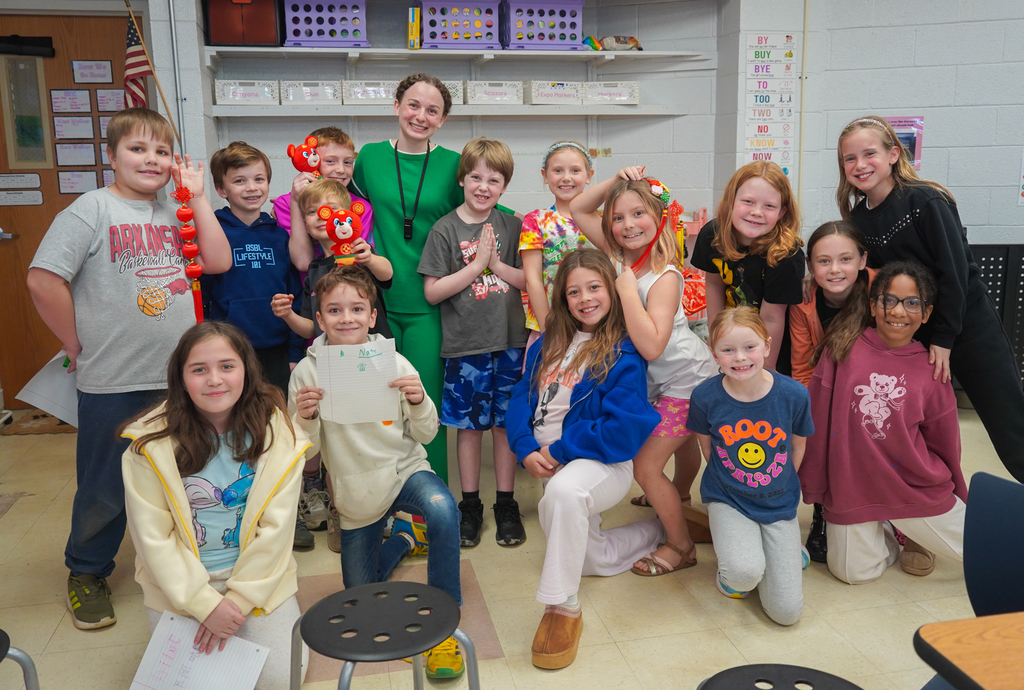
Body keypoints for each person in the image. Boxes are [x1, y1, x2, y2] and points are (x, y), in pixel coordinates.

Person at [26, 107, 231, 630]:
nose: (151, 159)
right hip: (114, 379)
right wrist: (73, 341)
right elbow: (43, 280)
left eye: (161, 151)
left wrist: (199, 196)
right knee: (105, 484)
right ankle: (87, 571)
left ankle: (180, 563)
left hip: (180, 381)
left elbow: (218, 262)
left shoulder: (176, 210)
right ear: (111, 156)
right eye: (137, 149)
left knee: (185, 479)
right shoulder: (91, 210)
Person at [289, 266, 466, 679]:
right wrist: (305, 417)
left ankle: (445, 621)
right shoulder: (307, 372)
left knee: (443, 509)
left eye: (356, 309)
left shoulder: (395, 361)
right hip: (355, 493)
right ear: (319, 319)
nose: (346, 318)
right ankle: (404, 540)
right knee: (360, 599)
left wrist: (420, 400)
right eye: (334, 310)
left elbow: (425, 433)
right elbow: (307, 453)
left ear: (372, 316)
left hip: (404, 468)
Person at [120, 322, 310, 690]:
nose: (214, 380)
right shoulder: (148, 444)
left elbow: (277, 531)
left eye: (227, 366)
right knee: (196, 683)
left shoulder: (279, 434)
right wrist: (203, 604)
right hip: (180, 583)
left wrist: (236, 603)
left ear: (246, 370)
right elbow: (152, 540)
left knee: (279, 681)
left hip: (258, 579)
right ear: (181, 378)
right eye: (199, 369)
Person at [837, 115, 1024, 484]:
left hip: (965, 328)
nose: (859, 165)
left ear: (893, 154)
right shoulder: (858, 217)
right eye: (849, 158)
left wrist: (944, 337)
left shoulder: (925, 200)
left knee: (1009, 424)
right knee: (919, 429)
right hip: (913, 336)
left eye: (869, 153)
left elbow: (954, 275)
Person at [350, 73, 515, 483]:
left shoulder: (451, 165)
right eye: (413, 105)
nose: (420, 116)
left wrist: (549, 230)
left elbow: (489, 205)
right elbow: (346, 211)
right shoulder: (369, 158)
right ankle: (381, 499)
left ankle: (430, 508)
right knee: (375, 411)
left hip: (433, 304)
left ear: (442, 120)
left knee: (426, 413)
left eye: (432, 110)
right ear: (396, 106)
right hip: (376, 302)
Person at [507, 248, 664, 669]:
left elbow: (623, 431)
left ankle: (562, 608)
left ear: (612, 291)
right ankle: (658, 530)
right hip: (549, 461)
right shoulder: (549, 343)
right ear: (563, 298)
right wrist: (525, 447)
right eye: (574, 291)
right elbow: (521, 398)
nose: (585, 298)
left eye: (594, 287)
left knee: (562, 494)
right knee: (592, 558)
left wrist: (557, 451)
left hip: (603, 462)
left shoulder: (624, 353)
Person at [571, 168, 717, 576]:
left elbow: (652, 343)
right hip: (662, 381)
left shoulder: (664, 276)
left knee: (646, 467)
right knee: (682, 447)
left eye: (638, 214)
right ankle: (679, 501)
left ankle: (680, 544)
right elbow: (580, 206)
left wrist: (623, 292)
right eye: (617, 217)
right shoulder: (619, 256)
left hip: (688, 382)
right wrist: (615, 182)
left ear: (658, 217)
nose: (627, 225)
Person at [799, 261, 967, 584]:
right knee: (851, 574)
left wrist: (957, 494)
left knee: (985, 550)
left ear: (927, 313)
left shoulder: (933, 368)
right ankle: (890, 530)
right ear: (874, 306)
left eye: (912, 303)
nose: (899, 312)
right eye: (889, 300)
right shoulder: (842, 348)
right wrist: (815, 486)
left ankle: (913, 531)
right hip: (854, 490)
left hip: (914, 489)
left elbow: (946, 443)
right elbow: (816, 423)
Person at [271, 178, 393, 551]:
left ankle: (379, 503)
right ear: (304, 222)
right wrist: (288, 315)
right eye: (311, 212)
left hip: (373, 359)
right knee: (336, 435)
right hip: (332, 363)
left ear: (350, 215)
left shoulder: (361, 252)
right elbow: (311, 326)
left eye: (330, 210)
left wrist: (368, 257)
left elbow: (387, 274)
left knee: (372, 432)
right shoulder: (313, 270)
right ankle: (341, 506)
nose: (322, 218)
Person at [418, 137, 528, 548]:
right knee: (468, 430)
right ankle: (470, 506)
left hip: (511, 342)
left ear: (504, 186)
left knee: (503, 428)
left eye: (494, 180)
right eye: (476, 177)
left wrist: (496, 264)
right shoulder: (445, 229)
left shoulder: (513, 226)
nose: (484, 186)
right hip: (466, 347)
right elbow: (433, 292)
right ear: (462, 179)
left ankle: (505, 503)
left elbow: (528, 280)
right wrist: (478, 266)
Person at [686, 307, 813, 626]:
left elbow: (798, 444)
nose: (740, 357)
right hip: (728, 499)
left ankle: (782, 551)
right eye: (728, 350)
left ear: (767, 347)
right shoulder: (704, 397)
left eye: (750, 347)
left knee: (786, 614)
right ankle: (737, 567)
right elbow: (707, 446)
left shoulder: (795, 394)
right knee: (743, 575)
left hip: (778, 503)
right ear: (714, 354)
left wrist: (782, 484)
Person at [788, 220, 874, 563]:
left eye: (845, 259)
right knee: (815, 434)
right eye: (824, 261)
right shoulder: (804, 302)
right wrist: (809, 420)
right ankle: (821, 514)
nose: (835, 269)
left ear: (863, 260)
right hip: (825, 393)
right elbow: (802, 366)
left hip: (870, 392)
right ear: (811, 265)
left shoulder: (879, 291)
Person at [202, 141, 304, 394]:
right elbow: (202, 295)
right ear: (221, 189)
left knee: (275, 418)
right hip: (227, 350)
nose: (251, 188)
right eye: (239, 181)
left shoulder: (279, 236)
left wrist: (294, 352)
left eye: (259, 179)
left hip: (277, 350)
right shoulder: (214, 234)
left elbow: (295, 295)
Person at [691, 161, 805, 372]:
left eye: (769, 206)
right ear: (731, 202)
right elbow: (714, 286)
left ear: (781, 213)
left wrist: (764, 371)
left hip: (772, 343)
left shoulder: (786, 254)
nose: (757, 212)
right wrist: (716, 340)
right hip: (733, 333)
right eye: (748, 202)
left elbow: (772, 317)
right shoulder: (711, 235)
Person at [519, 141, 594, 348]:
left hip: (593, 325)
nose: (566, 177)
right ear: (545, 175)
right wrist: (547, 330)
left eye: (575, 170)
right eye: (558, 170)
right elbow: (532, 280)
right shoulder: (536, 221)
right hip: (550, 325)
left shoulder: (600, 221)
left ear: (589, 176)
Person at [274, 125, 373, 270]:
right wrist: (295, 201)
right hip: (305, 289)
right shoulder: (285, 204)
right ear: (311, 162)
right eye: (330, 161)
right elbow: (303, 262)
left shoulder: (360, 207)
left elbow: (355, 262)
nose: (340, 170)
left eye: (347, 162)